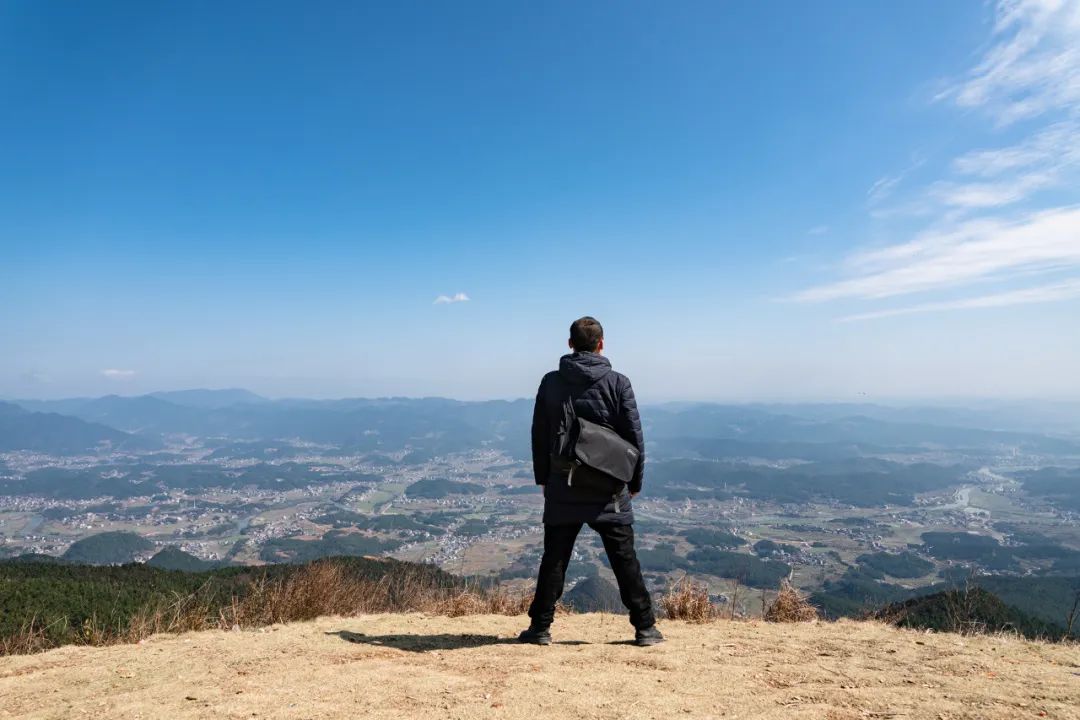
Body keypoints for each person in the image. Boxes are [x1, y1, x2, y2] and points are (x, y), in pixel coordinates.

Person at [519, 316, 663, 647]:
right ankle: (644, 627)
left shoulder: (551, 382)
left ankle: (540, 628)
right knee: (624, 559)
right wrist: (635, 481)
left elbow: (540, 435)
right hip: (609, 488)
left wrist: (543, 477)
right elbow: (634, 438)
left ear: (570, 344)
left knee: (554, 558)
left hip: (563, 483)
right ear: (601, 344)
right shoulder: (618, 383)